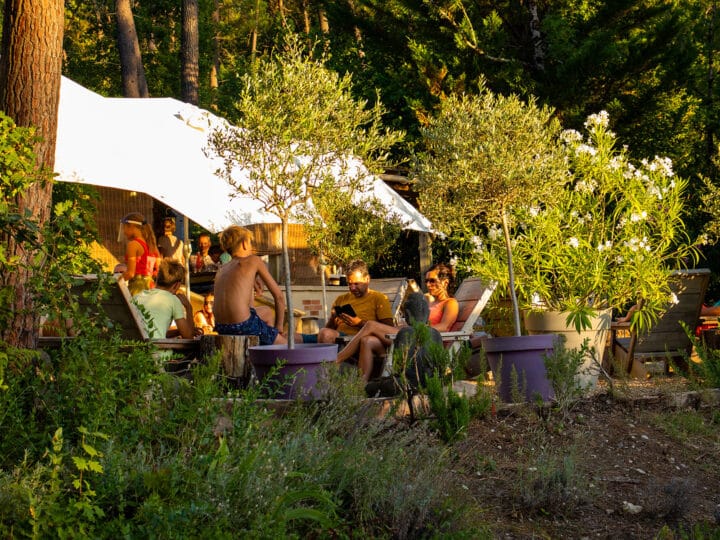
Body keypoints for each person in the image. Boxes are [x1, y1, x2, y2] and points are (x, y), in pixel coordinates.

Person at [319, 260, 393, 381]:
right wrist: (333, 318)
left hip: (356, 340)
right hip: (339, 337)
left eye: (357, 284)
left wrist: (358, 323)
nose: (352, 288)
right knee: (317, 334)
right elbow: (329, 328)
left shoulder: (378, 299)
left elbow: (388, 330)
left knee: (326, 334)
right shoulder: (341, 299)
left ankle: (331, 368)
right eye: (350, 284)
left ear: (367, 279)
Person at [213, 225, 287, 345]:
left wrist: (252, 281)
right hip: (243, 325)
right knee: (284, 345)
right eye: (250, 242)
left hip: (221, 326)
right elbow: (278, 296)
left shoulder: (222, 269)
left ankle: (263, 345)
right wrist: (279, 329)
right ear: (244, 244)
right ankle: (270, 347)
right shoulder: (254, 260)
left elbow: (249, 306)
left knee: (267, 312)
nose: (251, 247)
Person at [133, 258, 196, 339]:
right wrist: (189, 307)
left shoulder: (137, 297)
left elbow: (155, 333)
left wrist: (178, 331)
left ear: (157, 280)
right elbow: (188, 337)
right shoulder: (173, 300)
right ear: (177, 285)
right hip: (159, 350)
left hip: (138, 350)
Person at [117, 212, 160, 296]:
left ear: (132, 227)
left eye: (124, 228)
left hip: (137, 287)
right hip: (150, 286)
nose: (123, 232)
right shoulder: (151, 245)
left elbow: (130, 273)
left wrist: (115, 281)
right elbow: (157, 270)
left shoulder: (133, 244)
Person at [424, 263, 459, 332]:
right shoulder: (429, 302)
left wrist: (419, 331)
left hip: (433, 340)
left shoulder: (450, 303)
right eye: (426, 281)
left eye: (432, 281)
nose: (428, 285)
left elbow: (444, 327)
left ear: (445, 283)